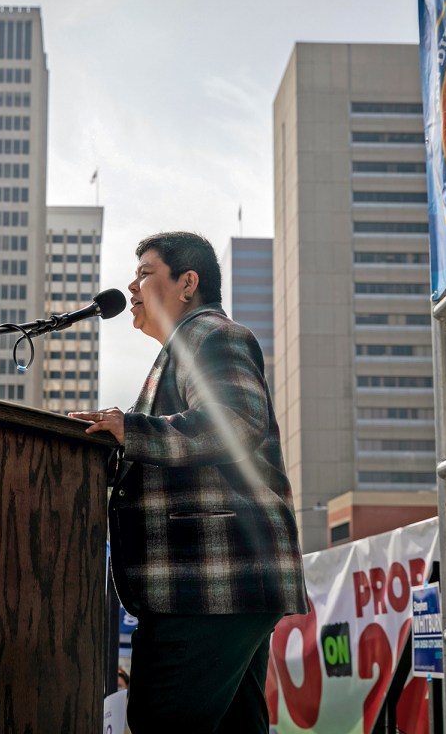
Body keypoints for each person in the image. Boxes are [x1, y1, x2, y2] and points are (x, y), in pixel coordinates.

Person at [70, 231, 306, 733]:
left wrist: (131, 429)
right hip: (221, 582)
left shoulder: (210, 335)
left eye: (145, 273)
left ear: (187, 283)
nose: (131, 287)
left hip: (211, 583)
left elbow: (236, 422)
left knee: (161, 720)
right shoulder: (182, 349)